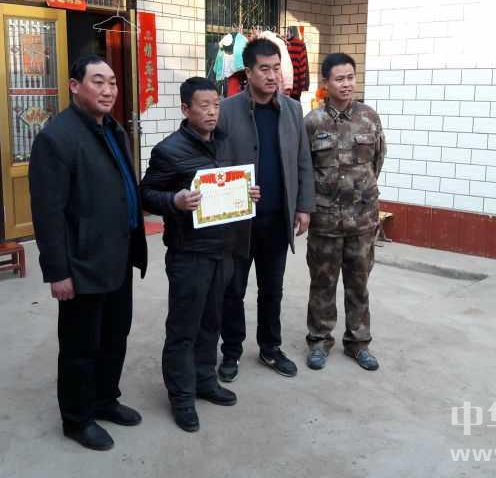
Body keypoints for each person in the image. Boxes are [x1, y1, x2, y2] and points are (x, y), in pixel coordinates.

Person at [29, 55, 147, 451]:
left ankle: (105, 399)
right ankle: (77, 419)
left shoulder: (113, 129)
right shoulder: (56, 138)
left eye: (112, 82)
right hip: (82, 262)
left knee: (115, 335)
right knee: (80, 346)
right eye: (98, 81)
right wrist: (58, 272)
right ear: (74, 86)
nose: (108, 90)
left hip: (119, 254)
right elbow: (48, 213)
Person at [140, 77, 261, 433]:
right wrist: (174, 201)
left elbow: (230, 185)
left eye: (216, 105)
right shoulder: (168, 150)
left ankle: (205, 379)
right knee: (184, 327)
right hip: (189, 253)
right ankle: (181, 395)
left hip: (223, 250)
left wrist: (247, 192)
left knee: (212, 321)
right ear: (185, 109)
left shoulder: (224, 142)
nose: (212, 112)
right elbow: (146, 194)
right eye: (204, 106)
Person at [217, 38, 315, 382]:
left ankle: (270, 348)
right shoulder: (226, 110)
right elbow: (214, 164)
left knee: (272, 289)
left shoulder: (291, 109)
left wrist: (303, 206)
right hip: (238, 221)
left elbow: (303, 160)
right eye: (265, 69)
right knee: (233, 290)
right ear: (248, 72)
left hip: (277, 218)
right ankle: (231, 351)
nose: (273, 76)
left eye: (277, 68)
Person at [303, 53, 386, 372]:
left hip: (362, 219)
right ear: (326, 83)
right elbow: (304, 169)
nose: (347, 84)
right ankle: (319, 341)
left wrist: (360, 192)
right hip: (324, 220)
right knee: (322, 282)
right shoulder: (312, 122)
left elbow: (377, 160)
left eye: (351, 77)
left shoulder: (369, 117)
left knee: (358, 283)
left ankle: (358, 343)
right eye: (340, 79)